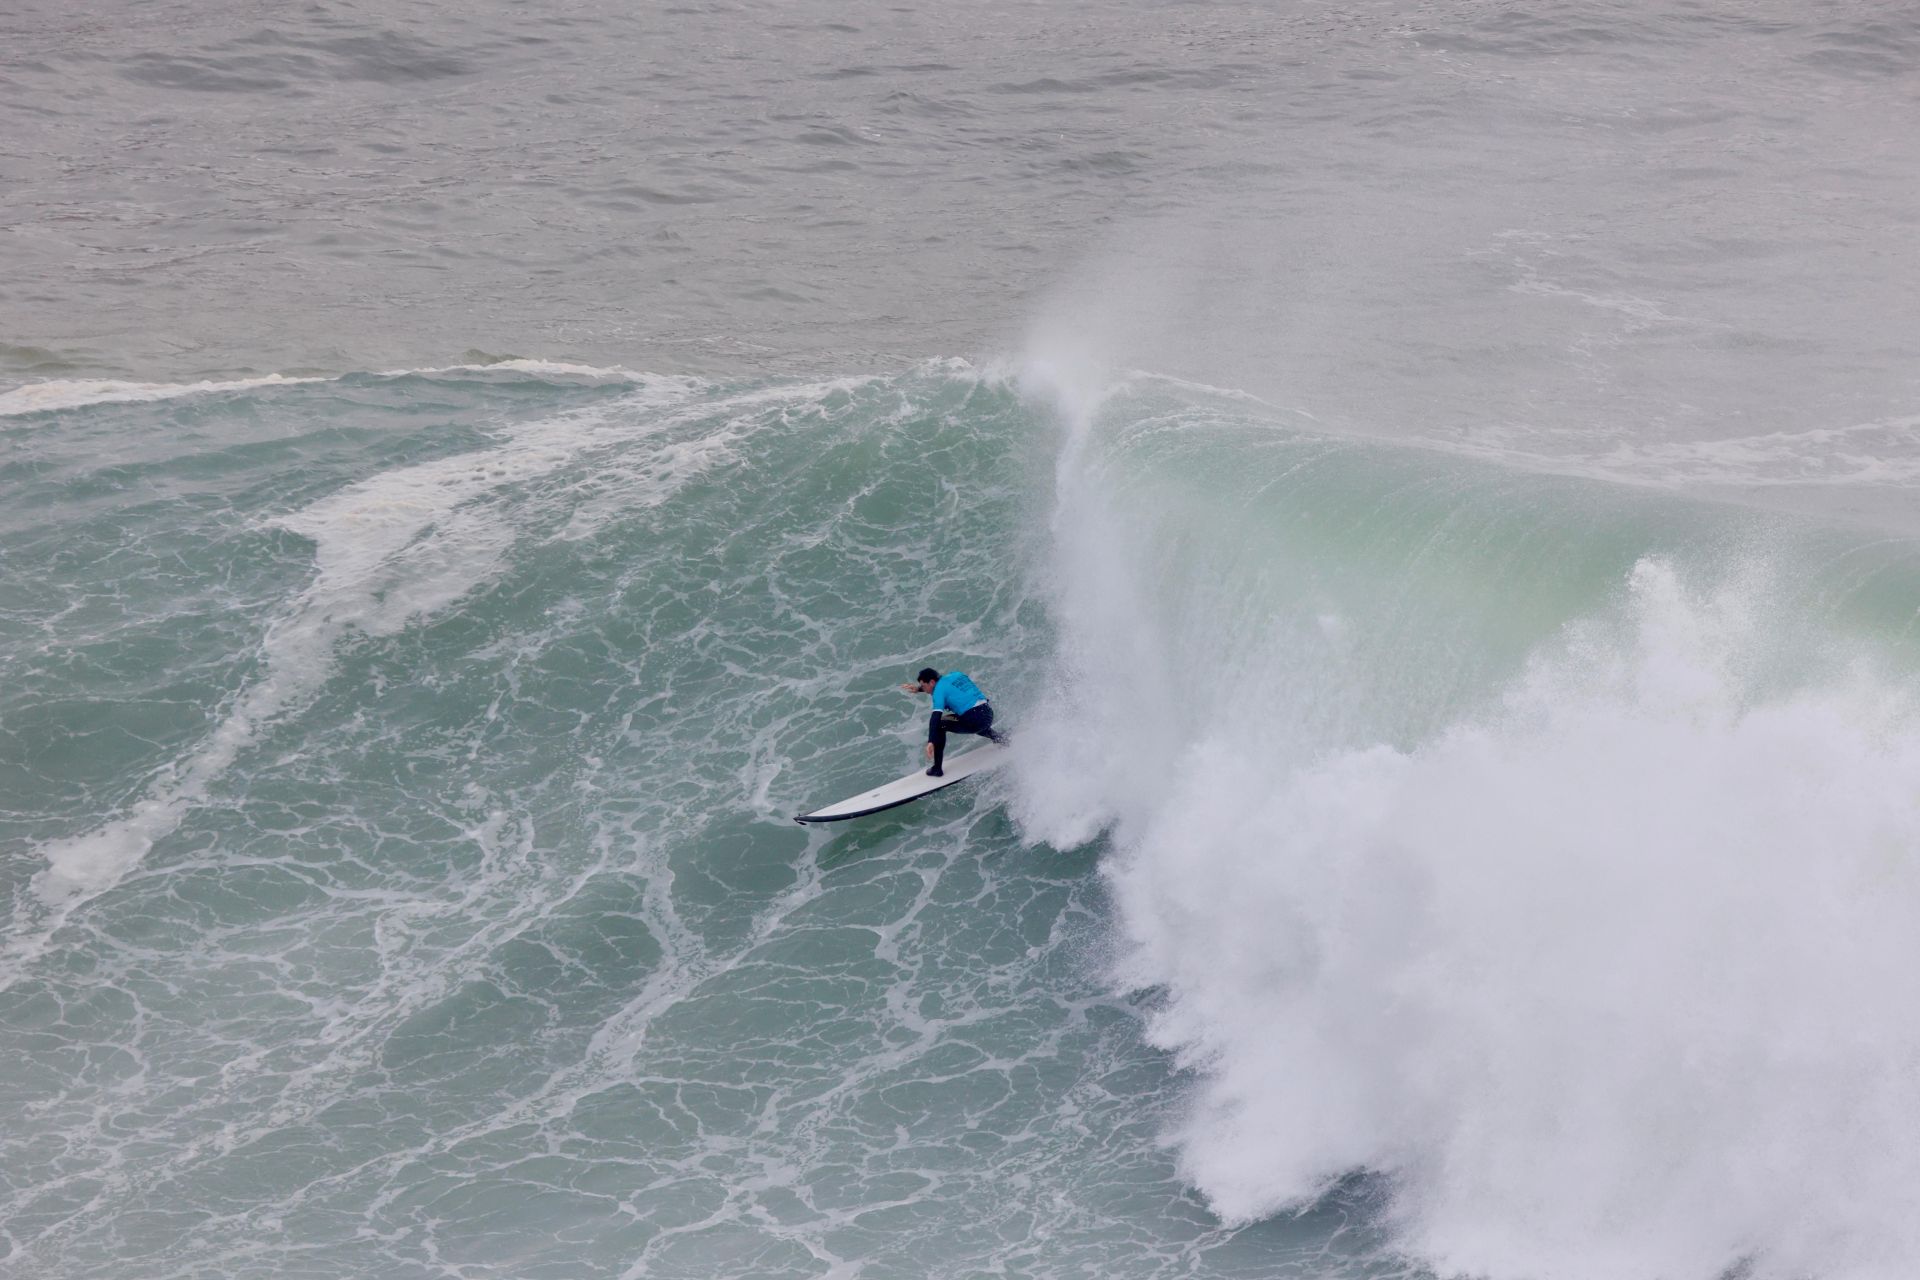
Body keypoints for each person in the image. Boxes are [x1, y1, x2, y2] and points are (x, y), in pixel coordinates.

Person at [899, 666, 1003, 776]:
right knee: (965, 718)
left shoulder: (938, 691)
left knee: (940, 725)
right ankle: (1000, 738)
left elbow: (935, 717)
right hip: (987, 713)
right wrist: (918, 689)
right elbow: (953, 689)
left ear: (932, 682)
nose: (923, 689)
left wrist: (931, 741)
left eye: (923, 686)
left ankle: (937, 769)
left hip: (974, 720)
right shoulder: (956, 674)